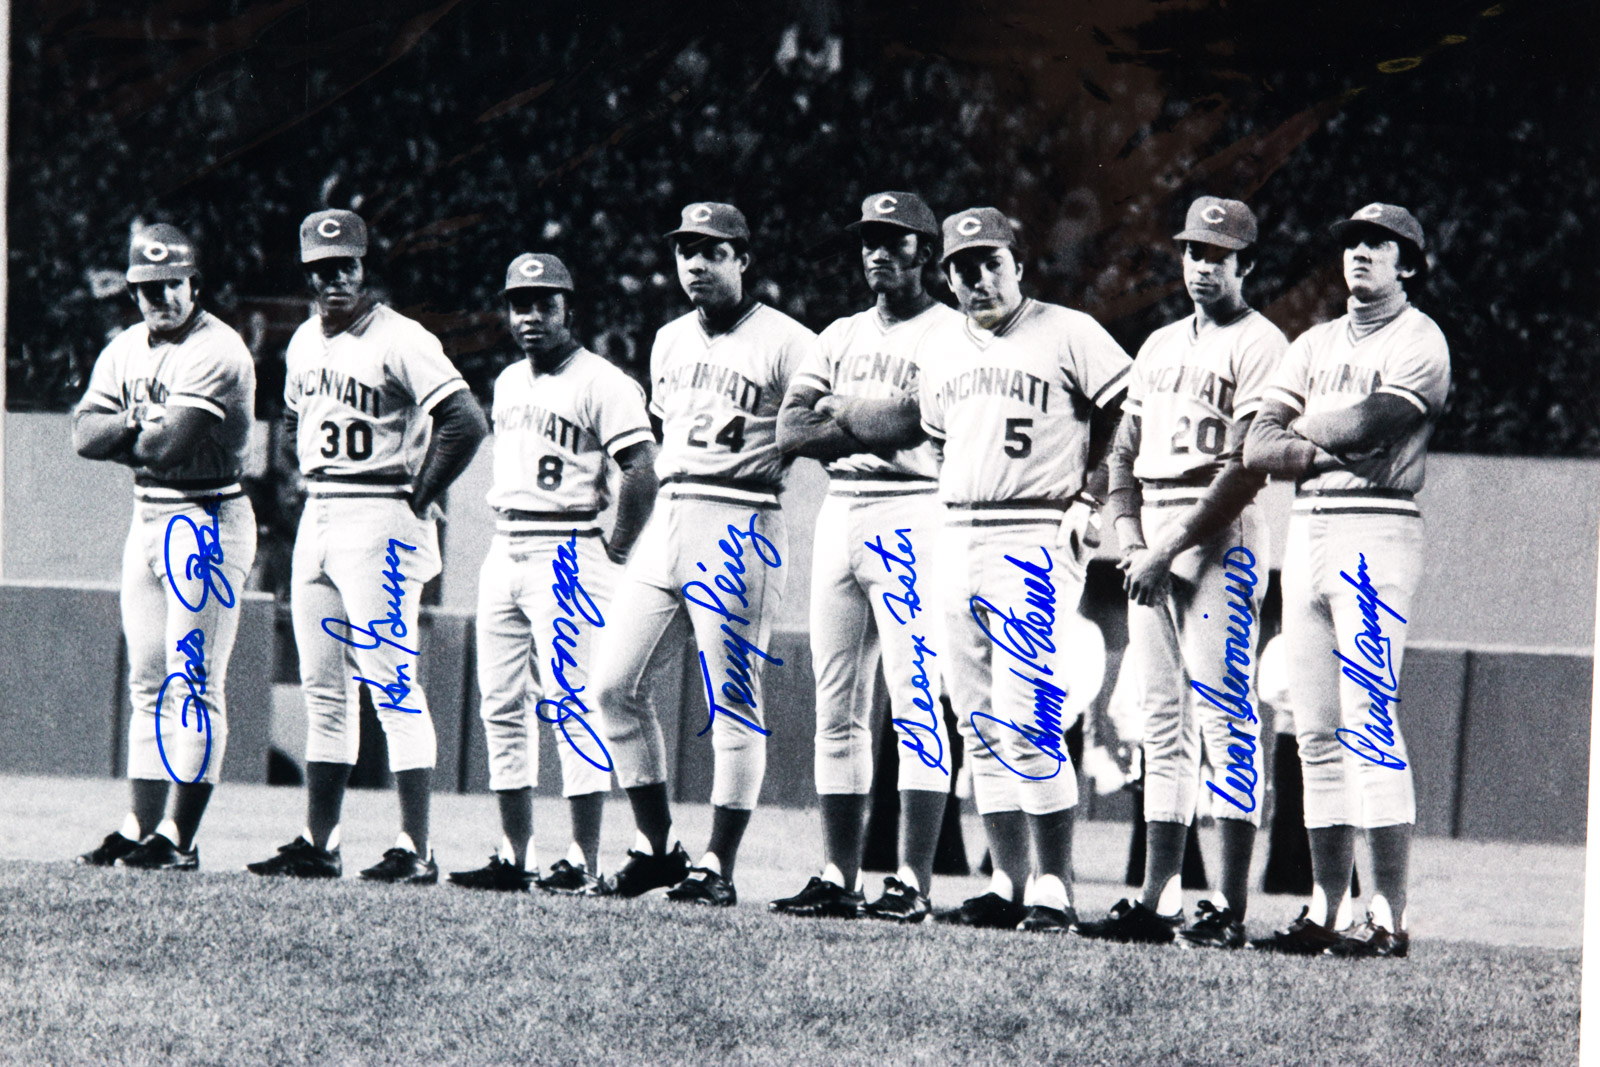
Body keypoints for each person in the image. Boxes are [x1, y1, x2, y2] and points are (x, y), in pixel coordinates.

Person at [247, 209, 488, 884]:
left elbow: (465, 421)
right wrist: (302, 476)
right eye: (322, 270)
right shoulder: (301, 343)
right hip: (322, 514)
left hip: (382, 510)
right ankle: (319, 841)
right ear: (306, 275)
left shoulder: (401, 338)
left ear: (363, 266)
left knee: (392, 684)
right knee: (325, 686)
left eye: (345, 266)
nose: (334, 280)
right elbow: (294, 419)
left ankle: (416, 847)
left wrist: (420, 491)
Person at [591, 202, 817, 907]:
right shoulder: (666, 340)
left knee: (733, 699)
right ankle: (658, 847)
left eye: (713, 251)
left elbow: (817, 423)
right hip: (672, 511)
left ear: (743, 259)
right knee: (611, 685)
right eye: (686, 250)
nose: (696, 263)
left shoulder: (790, 340)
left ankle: (717, 862)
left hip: (743, 513)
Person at [1077, 196, 1285, 948]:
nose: (1202, 265)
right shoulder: (1161, 343)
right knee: (1161, 723)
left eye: (1218, 255)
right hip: (1154, 532)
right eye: (1194, 251)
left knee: (1225, 719)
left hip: (1218, 532)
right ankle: (1159, 895)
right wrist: (1131, 539)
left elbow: (1244, 469)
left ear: (1246, 265)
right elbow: (1123, 453)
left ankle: (1226, 907)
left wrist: (1164, 549)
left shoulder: (1262, 343)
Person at [917, 207, 1131, 932]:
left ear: (1018, 262)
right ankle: (1008, 883)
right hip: (958, 529)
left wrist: (1093, 490)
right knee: (975, 721)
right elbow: (940, 439)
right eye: (962, 266)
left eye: (990, 261)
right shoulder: (943, 349)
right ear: (945, 276)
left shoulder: (1067, 330)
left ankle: (1053, 887)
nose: (978, 277)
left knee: (1029, 717)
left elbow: (1128, 408)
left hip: (1035, 529)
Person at [1243, 202, 1449, 958]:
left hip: (1377, 525)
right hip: (1310, 528)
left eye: (1380, 243)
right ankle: (1327, 909)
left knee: (1368, 716)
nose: (1361, 252)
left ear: (1410, 263)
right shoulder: (1315, 341)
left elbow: (1373, 422)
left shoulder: (1420, 337)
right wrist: (1309, 442)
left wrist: (1300, 434)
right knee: (1314, 726)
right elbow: (1253, 445)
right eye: (1353, 240)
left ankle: (1388, 915)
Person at [769, 192, 960, 923]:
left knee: (915, 700)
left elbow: (911, 421)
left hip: (916, 510)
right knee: (836, 704)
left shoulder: (950, 332)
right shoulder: (840, 331)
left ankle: (911, 880)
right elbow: (789, 430)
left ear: (926, 253)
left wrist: (841, 412)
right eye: (869, 240)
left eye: (895, 240)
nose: (877, 252)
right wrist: (862, 422)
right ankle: (837, 874)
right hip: (841, 509)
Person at [448, 253, 659, 893]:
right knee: (501, 704)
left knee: (571, 705)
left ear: (570, 309)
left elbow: (643, 470)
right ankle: (516, 854)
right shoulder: (510, 380)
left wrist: (617, 548)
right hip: (504, 542)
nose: (531, 316)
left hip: (569, 546)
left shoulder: (604, 382)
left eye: (544, 303)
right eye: (520, 304)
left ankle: (582, 859)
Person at [73, 223, 257, 871]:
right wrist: (131, 422)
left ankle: (179, 836)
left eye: (171, 285)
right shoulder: (126, 346)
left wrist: (128, 432)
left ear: (193, 285)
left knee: (195, 680)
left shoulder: (219, 350)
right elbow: (82, 434)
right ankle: (139, 825)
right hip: (148, 515)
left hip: (206, 514)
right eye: (148, 288)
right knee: (148, 679)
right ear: (134, 291)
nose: (160, 299)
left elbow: (165, 446)